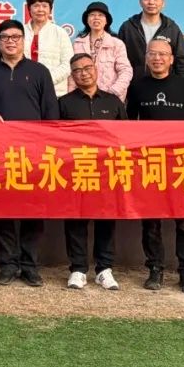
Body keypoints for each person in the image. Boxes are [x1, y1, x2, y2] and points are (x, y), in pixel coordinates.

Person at [0, 19, 57, 287]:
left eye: (15, 37)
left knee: (33, 210)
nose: (10, 41)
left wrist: (49, 148)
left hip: (34, 153)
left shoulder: (39, 71)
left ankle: (29, 265)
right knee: (2, 210)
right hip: (0, 153)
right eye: (5, 38)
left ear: (23, 41)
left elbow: (50, 112)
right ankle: (7, 264)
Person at [126, 37, 184, 294]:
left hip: (182, 163)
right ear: (146, 58)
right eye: (152, 54)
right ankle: (155, 269)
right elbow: (130, 124)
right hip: (150, 162)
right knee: (151, 221)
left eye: (163, 54)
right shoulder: (138, 86)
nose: (157, 58)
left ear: (171, 59)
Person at [59, 53, 127, 291]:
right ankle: (78, 269)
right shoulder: (64, 103)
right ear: (72, 75)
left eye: (87, 68)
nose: (83, 73)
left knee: (106, 219)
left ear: (96, 69)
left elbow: (126, 137)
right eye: (77, 70)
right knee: (76, 220)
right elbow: (55, 139)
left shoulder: (113, 102)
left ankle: (104, 269)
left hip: (108, 172)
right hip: (76, 170)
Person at [117, 0, 184, 79]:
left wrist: (181, 84)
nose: (151, 2)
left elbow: (181, 60)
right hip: (133, 83)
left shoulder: (172, 28)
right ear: (140, 2)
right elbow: (118, 59)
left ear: (163, 3)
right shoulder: (127, 27)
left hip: (164, 84)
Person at [69, 2, 132, 102]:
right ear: (87, 20)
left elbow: (125, 71)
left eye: (101, 15)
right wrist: (71, 97)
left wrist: (113, 92)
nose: (96, 18)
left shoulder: (116, 44)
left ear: (107, 21)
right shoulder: (77, 44)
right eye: (92, 15)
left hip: (110, 98)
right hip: (82, 98)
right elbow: (72, 73)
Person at [22, 0, 73, 96]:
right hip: (24, 90)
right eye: (36, 6)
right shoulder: (20, 32)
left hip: (53, 91)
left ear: (50, 9)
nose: (40, 10)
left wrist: (44, 80)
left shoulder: (60, 33)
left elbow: (67, 64)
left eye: (45, 6)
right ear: (29, 8)